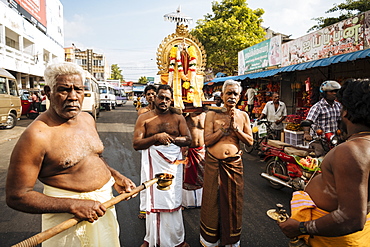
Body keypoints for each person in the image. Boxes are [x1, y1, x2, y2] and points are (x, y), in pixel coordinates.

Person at [6, 62, 136, 247]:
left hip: (103, 209)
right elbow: (17, 196)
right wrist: (73, 205)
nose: (73, 97)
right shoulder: (36, 135)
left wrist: (116, 176)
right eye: (64, 90)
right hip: (68, 225)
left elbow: (91, 157)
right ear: (48, 92)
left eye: (79, 90)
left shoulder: (87, 118)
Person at [278, 78, 370, 246]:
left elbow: (352, 218)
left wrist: (302, 227)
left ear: (346, 112)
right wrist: (307, 133)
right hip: (321, 139)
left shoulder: (351, 151)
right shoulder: (318, 107)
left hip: (333, 239)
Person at [133, 84, 191, 247]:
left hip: (172, 166)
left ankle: (177, 240)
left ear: (171, 100)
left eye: (167, 98)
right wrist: (156, 138)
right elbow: (136, 144)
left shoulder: (178, 117)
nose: (163, 101)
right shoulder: (144, 118)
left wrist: (172, 140)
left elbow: (188, 140)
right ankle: (150, 238)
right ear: (155, 98)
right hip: (153, 165)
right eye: (161, 97)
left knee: (172, 199)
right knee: (154, 199)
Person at [200, 79, 253, 247]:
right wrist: (223, 130)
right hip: (214, 163)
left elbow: (250, 142)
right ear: (222, 95)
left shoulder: (243, 116)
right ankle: (210, 240)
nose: (231, 96)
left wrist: (236, 130)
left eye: (235, 94)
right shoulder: (212, 114)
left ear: (239, 96)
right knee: (211, 200)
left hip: (234, 164)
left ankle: (230, 240)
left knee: (233, 201)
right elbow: (206, 141)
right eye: (228, 93)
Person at [137, 85, 157, 220]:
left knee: (159, 178)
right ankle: (144, 209)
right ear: (145, 96)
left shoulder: (163, 110)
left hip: (160, 149)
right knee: (145, 178)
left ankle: (157, 206)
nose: (151, 96)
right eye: (148, 94)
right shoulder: (142, 111)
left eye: (153, 94)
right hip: (147, 147)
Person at [182, 111, 206, 208]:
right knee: (187, 176)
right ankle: (186, 202)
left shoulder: (206, 115)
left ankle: (201, 201)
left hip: (202, 149)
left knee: (203, 175)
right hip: (188, 149)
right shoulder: (185, 114)